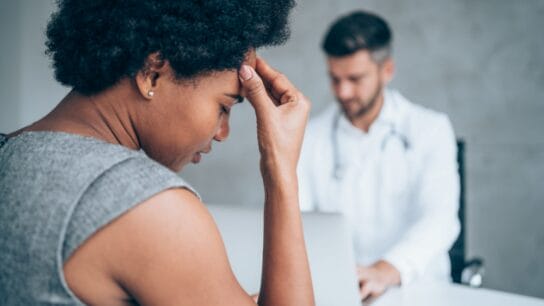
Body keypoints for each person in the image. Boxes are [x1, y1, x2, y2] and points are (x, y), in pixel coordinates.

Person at [0, 1, 315, 305]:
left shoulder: (9, 154)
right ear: (152, 73)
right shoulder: (146, 206)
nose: (222, 133)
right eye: (225, 106)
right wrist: (281, 171)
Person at [297, 10, 460, 301]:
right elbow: (297, 222)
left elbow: (440, 218)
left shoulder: (430, 129)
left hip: (418, 290)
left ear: (387, 71)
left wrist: (386, 269)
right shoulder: (309, 136)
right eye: (335, 79)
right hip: (340, 291)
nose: (343, 91)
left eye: (355, 78)